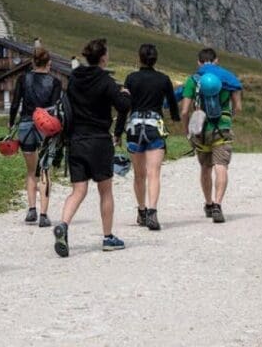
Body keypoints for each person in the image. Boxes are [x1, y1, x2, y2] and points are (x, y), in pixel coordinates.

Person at [53, 38, 132, 257]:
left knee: (78, 190)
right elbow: (123, 106)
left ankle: (64, 225)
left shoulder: (74, 78)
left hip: (76, 140)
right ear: (103, 57)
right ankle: (108, 237)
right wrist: (125, 94)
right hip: (99, 141)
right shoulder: (106, 81)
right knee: (105, 190)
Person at [119, 43, 180, 231]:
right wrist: (177, 118)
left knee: (139, 175)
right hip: (155, 127)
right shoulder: (163, 79)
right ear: (156, 59)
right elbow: (172, 104)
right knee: (154, 173)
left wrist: (117, 132)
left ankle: (142, 211)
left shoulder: (131, 79)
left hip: (135, 128)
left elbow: (124, 106)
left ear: (139, 58)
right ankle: (153, 211)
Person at [179, 47, 242, 223]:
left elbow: (184, 111)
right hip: (222, 129)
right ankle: (217, 205)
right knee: (221, 165)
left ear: (198, 62)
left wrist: (187, 131)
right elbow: (238, 107)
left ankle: (207, 203)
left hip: (200, 130)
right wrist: (228, 119)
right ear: (216, 61)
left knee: (205, 167)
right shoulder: (229, 79)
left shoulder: (193, 80)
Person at [8, 45, 61, 227]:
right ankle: (44, 215)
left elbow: (15, 104)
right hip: (45, 126)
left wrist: (10, 123)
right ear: (49, 64)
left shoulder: (23, 79)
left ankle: (31, 210)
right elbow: (55, 108)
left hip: (25, 125)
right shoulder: (55, 82)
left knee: (31, 171)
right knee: (44, 169)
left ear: (32, 62)